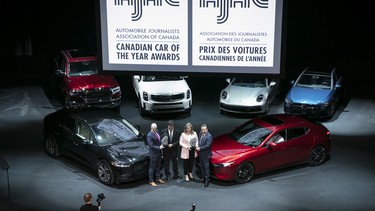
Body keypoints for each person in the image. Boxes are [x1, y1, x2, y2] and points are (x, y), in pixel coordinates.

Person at [147, 123, 166, 187]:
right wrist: (159, 147)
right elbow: (151, 145)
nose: (155, 130)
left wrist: (162, 144)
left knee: (158, 166)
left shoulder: (157, 132)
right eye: (153, 129)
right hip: (153, 154)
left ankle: (157, 178)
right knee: (152, 168)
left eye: (155, 129)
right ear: (151, 128)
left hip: (159, 153)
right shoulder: (149, 135)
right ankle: (151, 181)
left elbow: (159, 140)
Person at [196, 124, 213, 188]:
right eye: (202, 129)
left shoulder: (209, 136)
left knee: (206, 168)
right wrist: (197, 145)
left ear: (207, 129)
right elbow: (199, 141)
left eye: (204, 129)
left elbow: (207, 145)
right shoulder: (200, 133)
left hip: (206, 155)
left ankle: (207, 180)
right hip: (200, 154)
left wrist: (200, 148)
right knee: (202, 167)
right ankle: (203, 178)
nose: (203, 131)